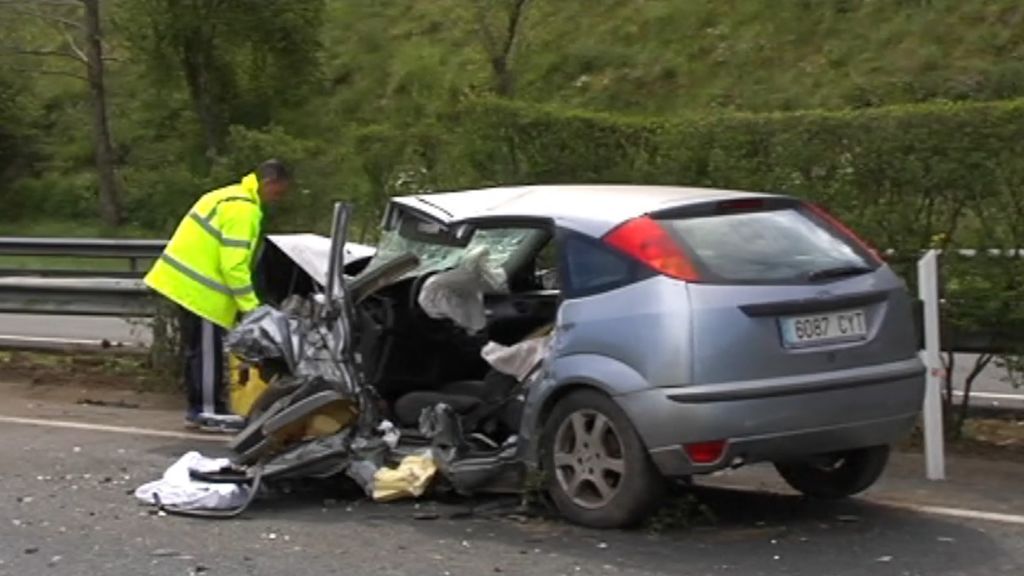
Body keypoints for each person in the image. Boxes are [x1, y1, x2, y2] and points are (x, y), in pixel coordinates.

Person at [144, 160, 291, 431]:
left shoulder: (227, 195)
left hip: (185, 283)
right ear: (268, 183)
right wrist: (252, 308)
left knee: (197, 351)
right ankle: (208, 410)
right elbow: (233, 265)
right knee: (207, 352)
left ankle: (199, 407)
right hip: (203, 290)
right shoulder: (243, 209)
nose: (277, 199)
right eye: (278, 192)